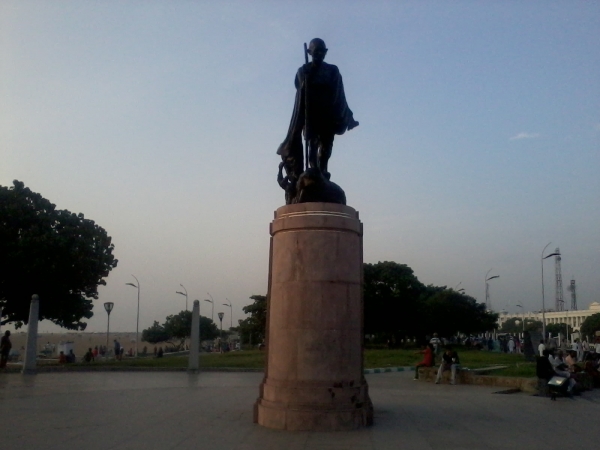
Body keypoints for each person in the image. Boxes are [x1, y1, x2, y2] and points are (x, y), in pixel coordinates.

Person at [277, 38, 359, 188]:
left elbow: (339, 93)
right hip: (310, 114)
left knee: (326, 147)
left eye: (322, 52)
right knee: (312, 143)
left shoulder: (332, 70)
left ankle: (323, 171)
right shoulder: (303, 70)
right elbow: (298, 85)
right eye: (316, 52)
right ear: (309, 52)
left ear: (326, 52)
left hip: (327, 114)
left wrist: (345, 114)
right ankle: (313, 170)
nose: (319, 55)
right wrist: (305, 77)